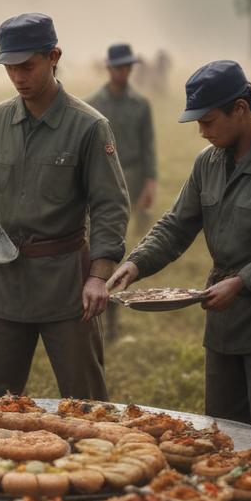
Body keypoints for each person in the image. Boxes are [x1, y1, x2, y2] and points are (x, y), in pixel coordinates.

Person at [106, 60, 251, 440]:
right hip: (224, 317)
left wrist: (242, 282)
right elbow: (177, 224)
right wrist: (136, 264)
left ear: (240, 109)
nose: (201, 133)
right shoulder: (207, 163)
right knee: (223, 429)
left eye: (207, 121)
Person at [0, 13, 130, 400]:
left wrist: (98, 276)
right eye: (10, 68)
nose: (18, 77)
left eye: (27, 66)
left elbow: (110, 206)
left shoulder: (89, 126)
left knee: (86, 403)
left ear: (53, 56)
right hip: (5, 283)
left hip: (67, 286)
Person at [86, 43, 158, 339]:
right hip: (99, 181)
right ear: (109, 68)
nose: (123, 72)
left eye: (128, 66)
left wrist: (151, 182)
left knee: (118, 249)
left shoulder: (141, 105)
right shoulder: (92, 104)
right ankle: (95, 316)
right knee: (94, 249)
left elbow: (148, 146)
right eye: (119, 67)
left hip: (132, 177)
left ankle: (112, 321)